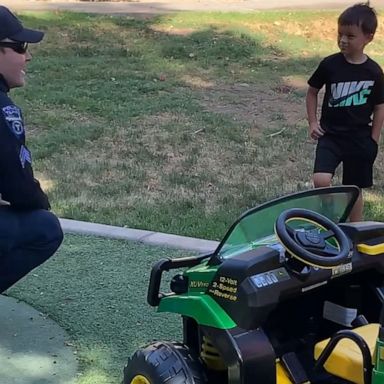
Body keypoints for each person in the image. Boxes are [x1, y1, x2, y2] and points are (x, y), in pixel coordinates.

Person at [0, 6, 63, 293]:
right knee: (45, 228)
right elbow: (19, 188)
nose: (27, 56)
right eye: (20, 46)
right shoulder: (3, 110)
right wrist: (39, 202)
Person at [306, 2, 384, 221]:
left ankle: (355, 231)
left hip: (359, 138)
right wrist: (312, 122)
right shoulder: (330, 65)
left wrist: (373, 139)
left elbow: (380, 106)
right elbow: (312, 92)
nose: (342, 40)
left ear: (368, 37)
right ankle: (331, 218)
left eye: (350, 36)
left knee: (354, 188)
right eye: (340, 34)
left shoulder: (374, 72)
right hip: (331, 135)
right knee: (321, 180)